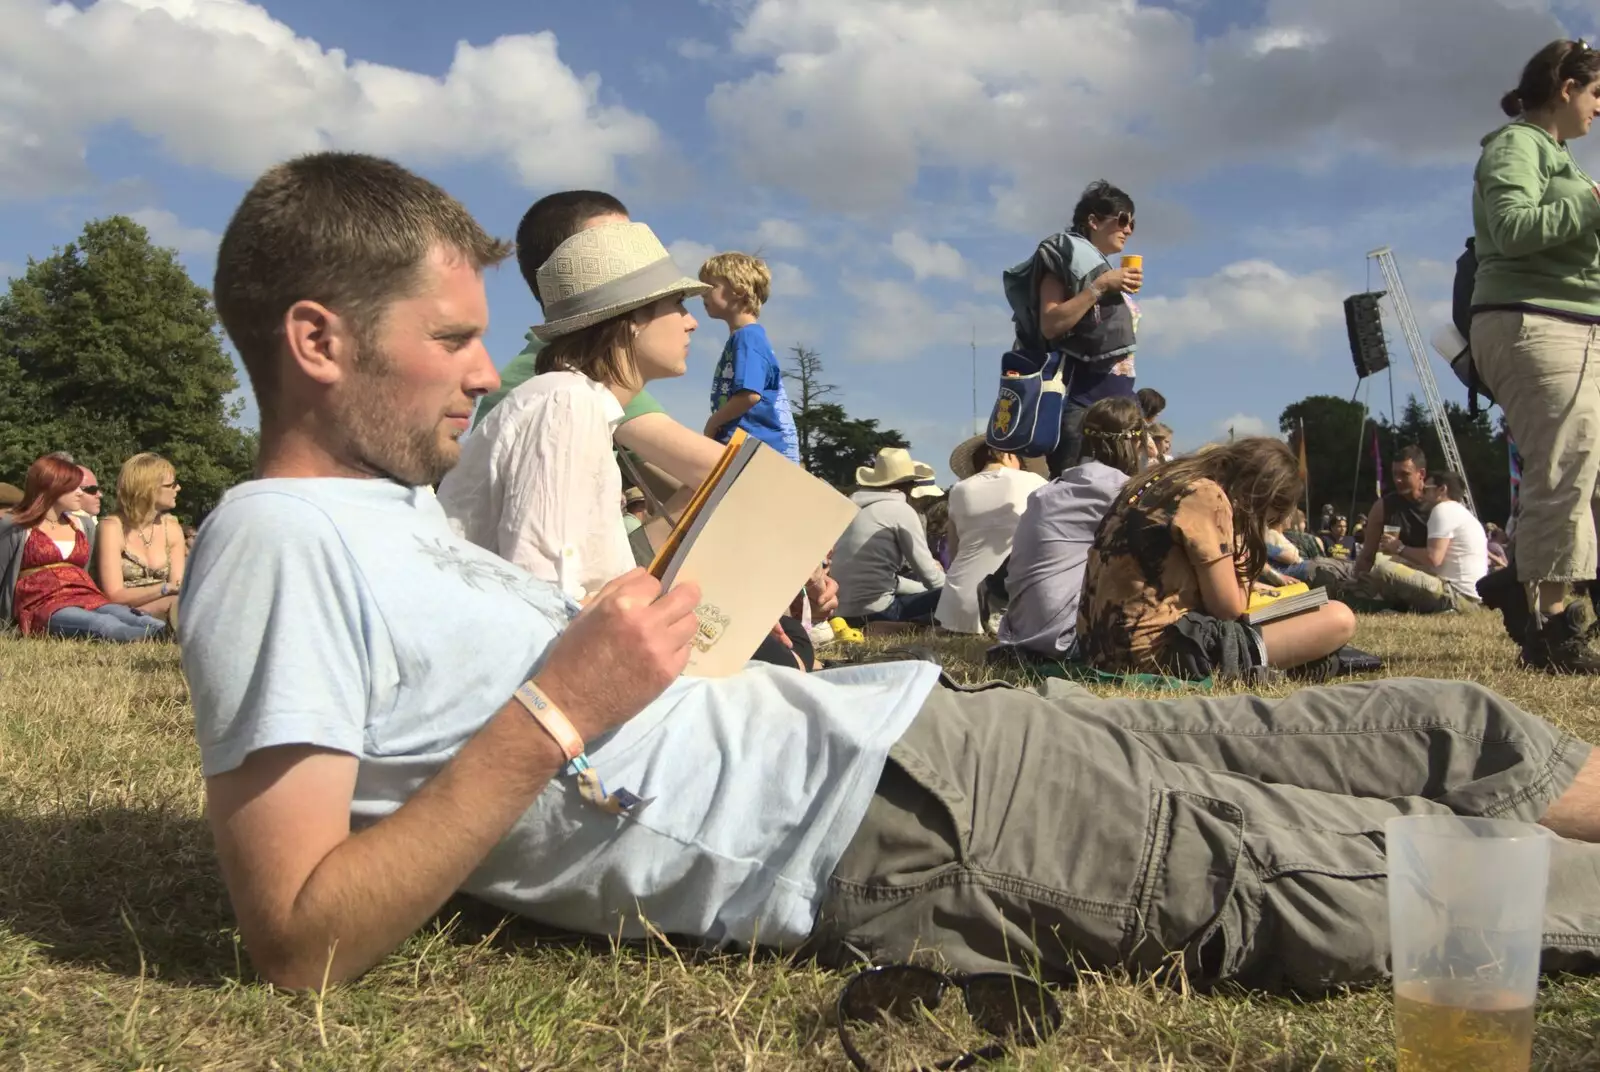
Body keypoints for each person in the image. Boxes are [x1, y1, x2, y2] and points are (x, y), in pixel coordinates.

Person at [184, 150, 1600, 1002]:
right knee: (1387, 877)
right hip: (885, 833)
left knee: (1442, 725)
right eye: (450, 340)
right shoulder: (273, 542)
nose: (489, 370)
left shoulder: (391, 515)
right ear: (318, 340)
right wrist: (562, 710)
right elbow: (302, 939)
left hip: (913, 725)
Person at [439, 221, 706, 601]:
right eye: (677, 303)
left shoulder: (577, 402)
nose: (691, 321)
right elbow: (547, 598)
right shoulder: (567, 403)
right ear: (632, 319)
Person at [1470, 38, 1600, 673]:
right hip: (1540, 324)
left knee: (1583, 473)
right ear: (1566, 87)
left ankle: (1517, 578)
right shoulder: (1516, 145)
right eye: (1598, 93)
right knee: (1565, 472)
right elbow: (1517, 228)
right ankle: (1551, 628)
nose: (1599, 110)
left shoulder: (1555, 156)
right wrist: (1590, 201)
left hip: (1566, 323)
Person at [471, 191, 724, 493]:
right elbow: (718, 472)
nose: (635, 255)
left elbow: (680, 485)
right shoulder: (571, 382)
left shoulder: (562, 371)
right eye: (614, 246)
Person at [1079, 438, 1357, 680]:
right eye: (1267, 519)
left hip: (1098, 648)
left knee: (1303, 612)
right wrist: (1246, 542)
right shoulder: (1207, 495)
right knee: (1339, 617)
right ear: (1258, 497)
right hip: (1151, 653)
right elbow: (1228, 609)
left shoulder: (1159, 480)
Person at [1002, 180, 1141, 477]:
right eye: (1122, 219)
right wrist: (1102, 285)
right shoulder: (1062, 264)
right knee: (1076, 498)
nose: (1128, 229)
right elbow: (1051, 324)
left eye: (1132, 223)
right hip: (1084, 407)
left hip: (1120, 406)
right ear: (1093, 220)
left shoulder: (1102, 270)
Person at [998, 397, 1147, 659]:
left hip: (1020, 633)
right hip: (1066, 640)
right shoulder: (1122, 493)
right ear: (1136, 443)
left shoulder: (1048, 491)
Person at [0, 454, 165, 641]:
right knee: (101, 624)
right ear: (51, 488)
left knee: (128, 615)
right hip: (42, 604)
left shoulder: (82, 525)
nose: (80, 492)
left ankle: (172, 632)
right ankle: (154, 637)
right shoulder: (16, 526)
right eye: (73, 487)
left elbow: (86, 570)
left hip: (85, 595)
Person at [932, 437, 1046, 634]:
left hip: (956, 606)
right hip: (1006, 603)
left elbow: (954, 550)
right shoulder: (1035, 483)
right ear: (1009, 454)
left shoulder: (959, 489)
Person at [699, 252, 801, 462]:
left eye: (711, 286)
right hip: (751, 448)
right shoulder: (747, 337)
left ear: (738, 290)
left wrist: (714, 422)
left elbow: (749, 395)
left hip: (754, 449)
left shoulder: (747, 338)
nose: (703, 294)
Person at [830, 448, 946, 624]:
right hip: (879, 611)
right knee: (954, 595)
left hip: (841, 612)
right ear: (909, 485)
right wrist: (956, 593)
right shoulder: (901, 510)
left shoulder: (852, 509)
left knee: (914, 582)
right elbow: (931, 577)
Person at [1364, 470, 1490, 614]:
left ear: (1442, 489)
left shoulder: (1443, 510)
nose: (1422, 494)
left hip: (1455, 596)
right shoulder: (1464, 514)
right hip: (1470, 597)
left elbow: (1433, 558)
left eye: (1426, 489)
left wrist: (1399, 548)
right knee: (1399, 566)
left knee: (1383, 568)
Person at [93, 452, 186, 624]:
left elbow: (178, 585)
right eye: (171, 485)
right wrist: (165, 588)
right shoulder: (112, 528)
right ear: (148, 490)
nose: (178, 488)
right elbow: (113, 595)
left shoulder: (172, 529)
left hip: (169, 605)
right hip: (121, 612)